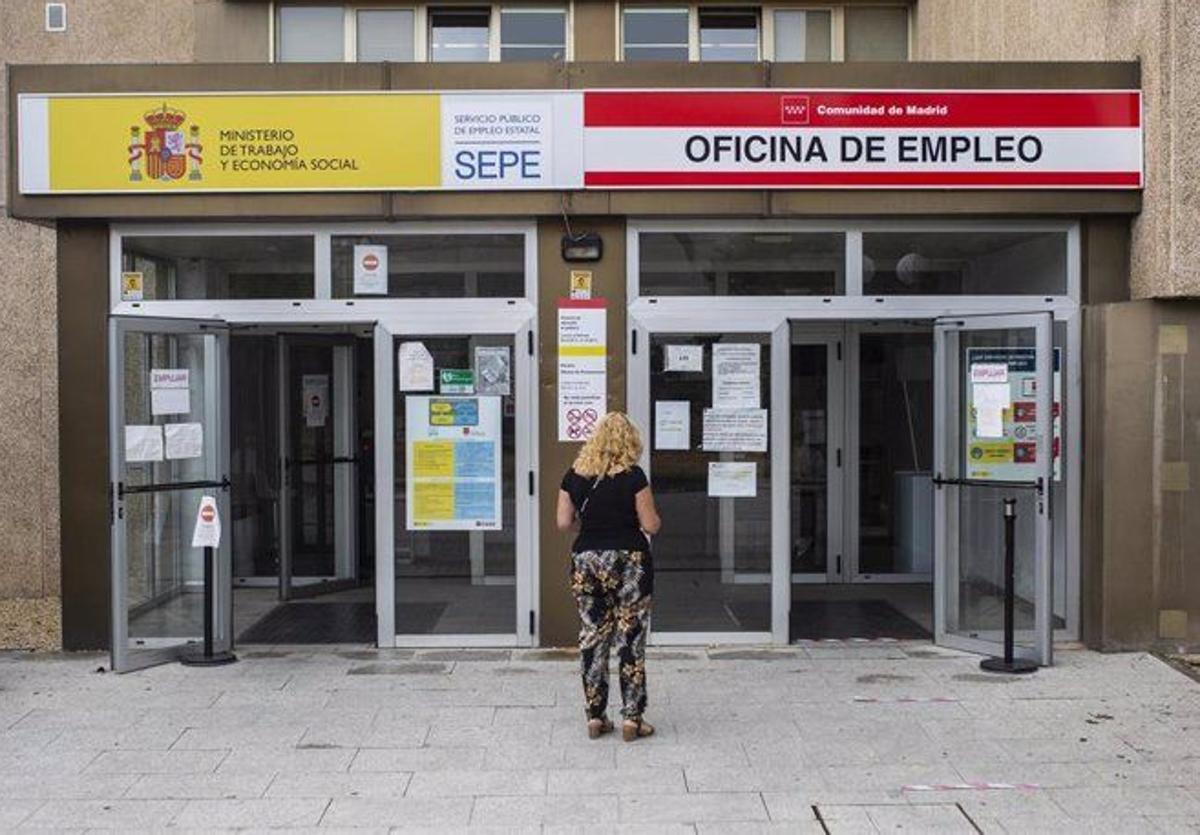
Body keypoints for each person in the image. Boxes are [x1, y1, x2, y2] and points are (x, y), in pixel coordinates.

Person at [557, 412, 661, 742]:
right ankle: (632, 719)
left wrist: (590, 528)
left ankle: (595, 717)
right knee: (630, 638)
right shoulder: (634, 477)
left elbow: (563, 523)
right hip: (630, 561)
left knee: (592, 636)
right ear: (630, 441)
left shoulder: (573, 476)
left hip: (586, 560)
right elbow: (651, 525)